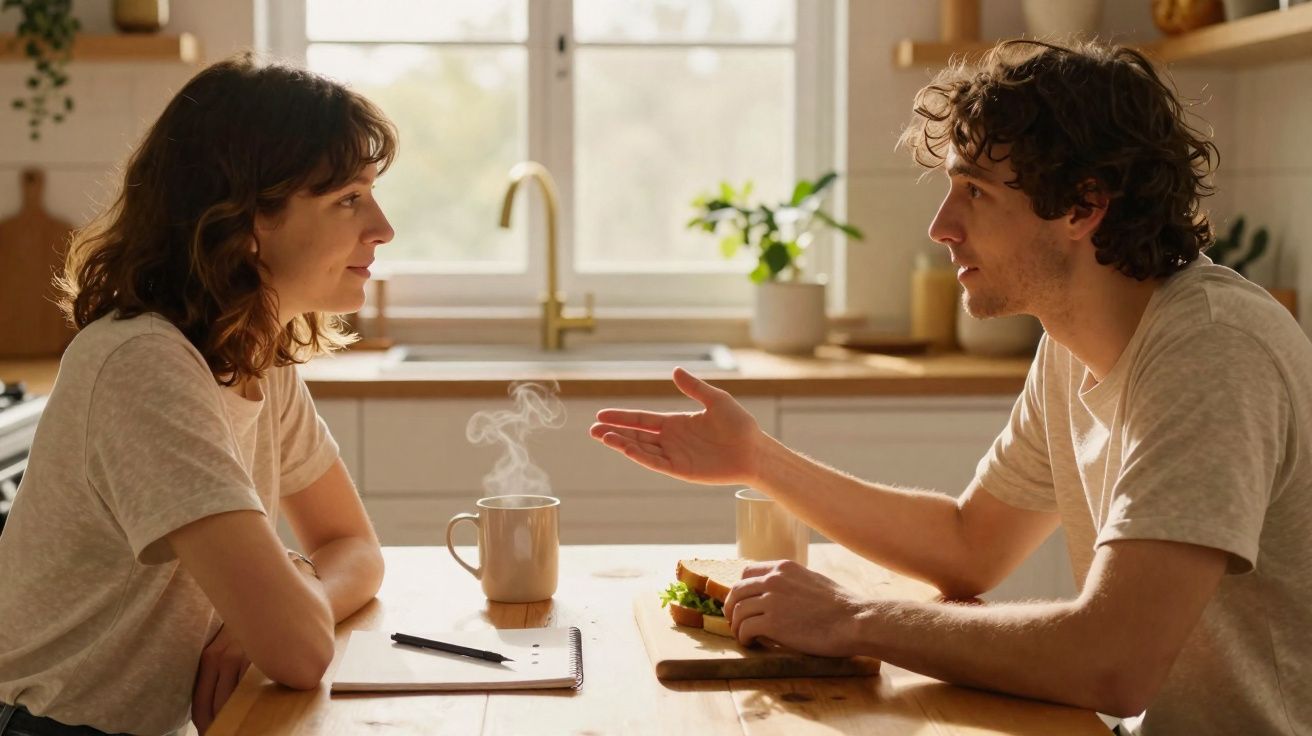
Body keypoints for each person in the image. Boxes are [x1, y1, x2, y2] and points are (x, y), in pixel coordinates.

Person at [591, 39, 1310, 734]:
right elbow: (970, 545)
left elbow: (1113, 661)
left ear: (1083, 207)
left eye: (974, 190)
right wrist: (757, 459)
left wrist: (852, 620)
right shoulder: (1071, 347)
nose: (941, 226)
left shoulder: (1213, 350)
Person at [0, 54, 395, 736]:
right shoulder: (144, 367)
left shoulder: (253, 352)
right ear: (246, 225)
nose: (382, 227)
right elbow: (300, 651)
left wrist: (275, 614)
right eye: (348, 199)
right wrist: (282, 615)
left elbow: (354, 547)